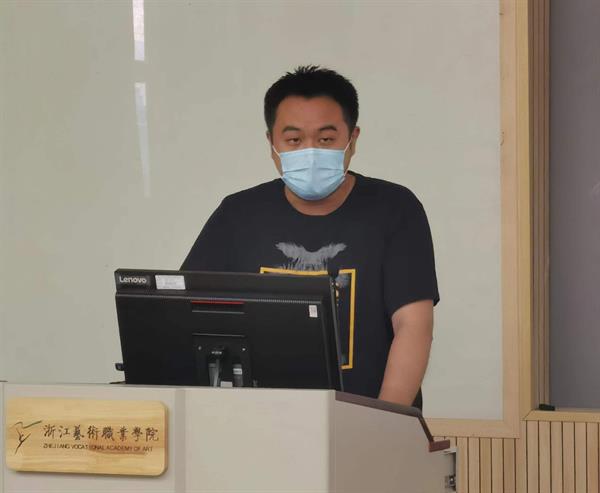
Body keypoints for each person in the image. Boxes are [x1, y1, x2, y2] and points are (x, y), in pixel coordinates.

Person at [182, 65, 439, 409]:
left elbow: (413, 326)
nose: (310, 151)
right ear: (272, 143)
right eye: (294, 140)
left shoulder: (395, 209)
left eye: (326, 139)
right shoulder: (238, 215)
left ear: (353, 139)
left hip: (366, 419)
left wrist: (383, 421)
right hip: (259, 421)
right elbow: (186, 316)